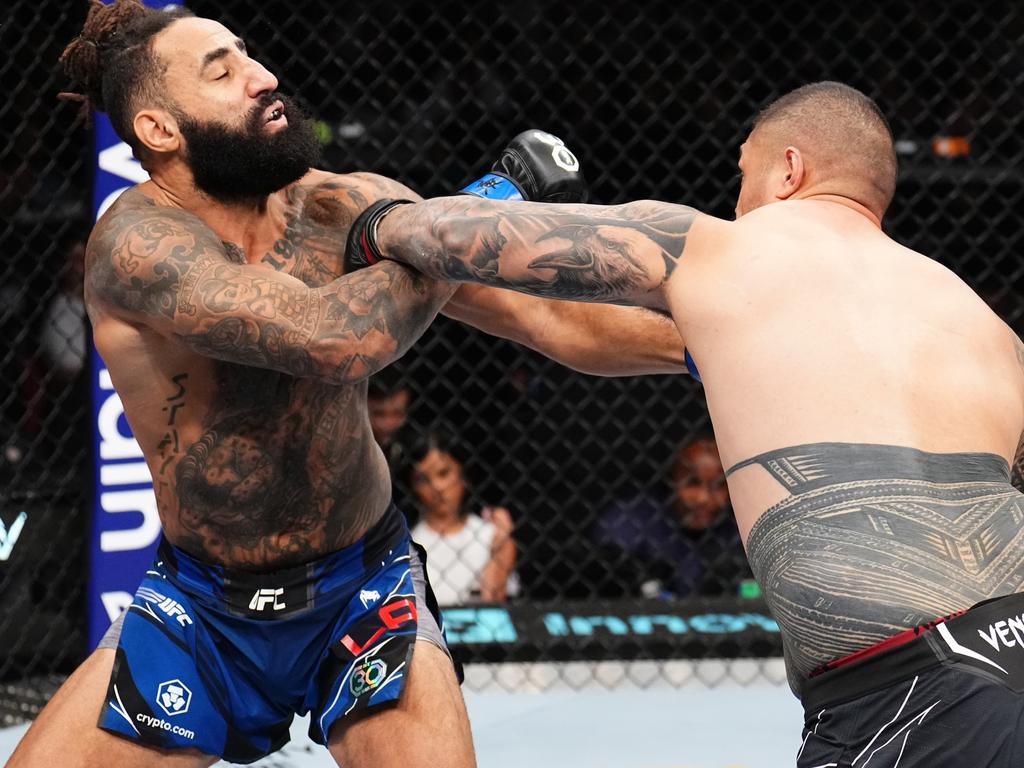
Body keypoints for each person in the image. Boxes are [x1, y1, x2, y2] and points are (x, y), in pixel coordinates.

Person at [12, 2, 690, 767]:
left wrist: (712, 351)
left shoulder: (338, 205)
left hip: (363, 585)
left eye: (248, 54)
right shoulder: (135, 246)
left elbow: (550, 322)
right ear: (160, 129)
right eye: (222, 71)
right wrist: (488, 203)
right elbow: (330, 339)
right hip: (202, 606)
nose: (263, 78)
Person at [352, 81, 1024, 765]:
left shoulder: (715, 250)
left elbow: (439, 237)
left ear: (789, 170)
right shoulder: (983, 326)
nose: (736, 201)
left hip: (904, 700)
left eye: (743, 175)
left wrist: (378, 218)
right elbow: (575, 329)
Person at [595, 436, 746, 599]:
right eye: (692, 483)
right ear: (672, 480)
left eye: (718, 486)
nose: (703, 498)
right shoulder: (631, 520)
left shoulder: (741, 527)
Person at [402, 428, 517, 605]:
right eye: (423, 479)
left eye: (444, 473)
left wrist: (501, 547)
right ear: (412, 487)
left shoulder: (490, 535)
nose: (437, 488)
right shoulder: (405, 545)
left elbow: (494, 605)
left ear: (462, 472)